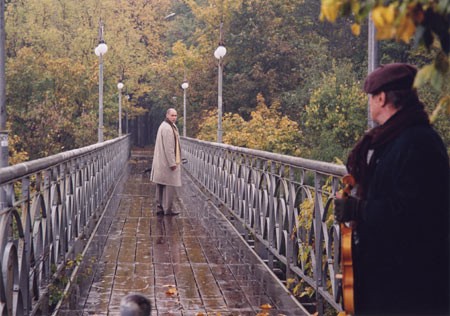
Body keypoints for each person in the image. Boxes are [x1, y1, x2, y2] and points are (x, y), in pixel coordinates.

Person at [334, 63, 449, 315]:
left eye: (371, 97)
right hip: (391, 280)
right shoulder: (393, 139)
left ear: (382, 98)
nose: (370, 103)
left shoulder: (418, 143)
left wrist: (358, 208)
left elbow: (414, 215)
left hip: (410, 288)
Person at [150, 108, 182, 216]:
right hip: (166, 162)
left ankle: (159, 207)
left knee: (160, 184)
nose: (174, 117)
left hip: (161, 162)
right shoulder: (168, 128)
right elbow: (169, 148)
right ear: (167, 115)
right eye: (172, 115)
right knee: (169, 185)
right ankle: (168, 209)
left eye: (175, 115)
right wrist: (172, 163)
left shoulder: (164, 125)